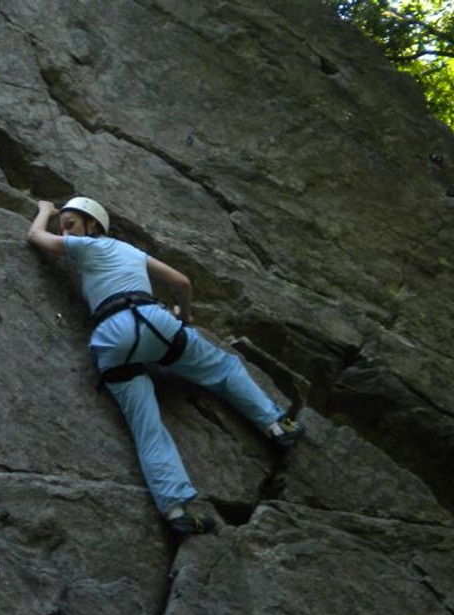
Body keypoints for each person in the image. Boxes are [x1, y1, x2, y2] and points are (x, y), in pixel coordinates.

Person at [26, 197, 305, 535]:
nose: (64, 229)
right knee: (224, 368)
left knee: (146, 425)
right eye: (62, 224)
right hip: (154, 321)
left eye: (70, 223)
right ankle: (275, 425)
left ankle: (176, 511)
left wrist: (45, 210)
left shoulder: (85, 247)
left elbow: (35, 237)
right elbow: (183, 282)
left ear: (92, 226)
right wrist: (185, 317)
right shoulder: (129, 251)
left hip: (111, 337)